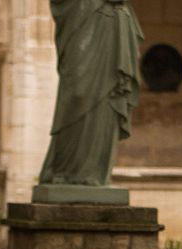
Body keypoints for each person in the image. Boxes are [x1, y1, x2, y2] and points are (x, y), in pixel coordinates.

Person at [38, 0, 142, 187]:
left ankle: (96, 173)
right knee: (78, 94)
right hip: (84, 20)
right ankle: (65, 170)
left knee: (108, 102)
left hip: (113, 26)